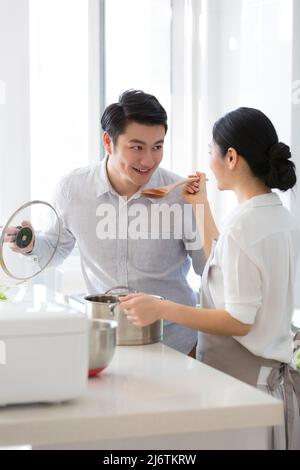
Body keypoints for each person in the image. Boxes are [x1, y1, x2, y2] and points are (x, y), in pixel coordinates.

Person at [119, 107, 300, 450]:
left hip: (244, 392)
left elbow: (239, 320)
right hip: (268, 388)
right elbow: (226, 264)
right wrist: (200, 205)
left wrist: (161, 308)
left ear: (230, 157)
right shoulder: (279, 217)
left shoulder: (243, 227)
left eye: (210, 152)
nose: (209, 161)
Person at [9, 89, 206, 355]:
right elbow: (53, 253)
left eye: (157, 147)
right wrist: (31, 245)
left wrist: (204, 209)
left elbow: (208, 268)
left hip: (177, 343)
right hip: (109, 342)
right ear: (108, 142)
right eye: (136, 147)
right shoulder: (73, 190)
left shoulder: (181, 195)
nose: (149, 160)